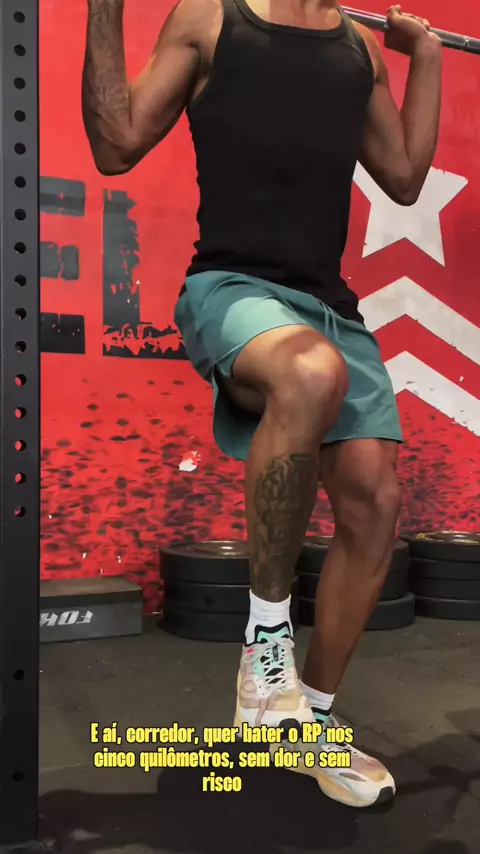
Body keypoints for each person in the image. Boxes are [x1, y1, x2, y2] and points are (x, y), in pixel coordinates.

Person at [83, 0, 442, 807]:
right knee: (310, 374)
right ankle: (266, 648)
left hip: (329, 306)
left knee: (375, 502)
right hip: (232, 288)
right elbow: (115, 142)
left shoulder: (360, 51)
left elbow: (404, 176)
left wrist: (426, 58)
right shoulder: (211, 20)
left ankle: (305, 722)